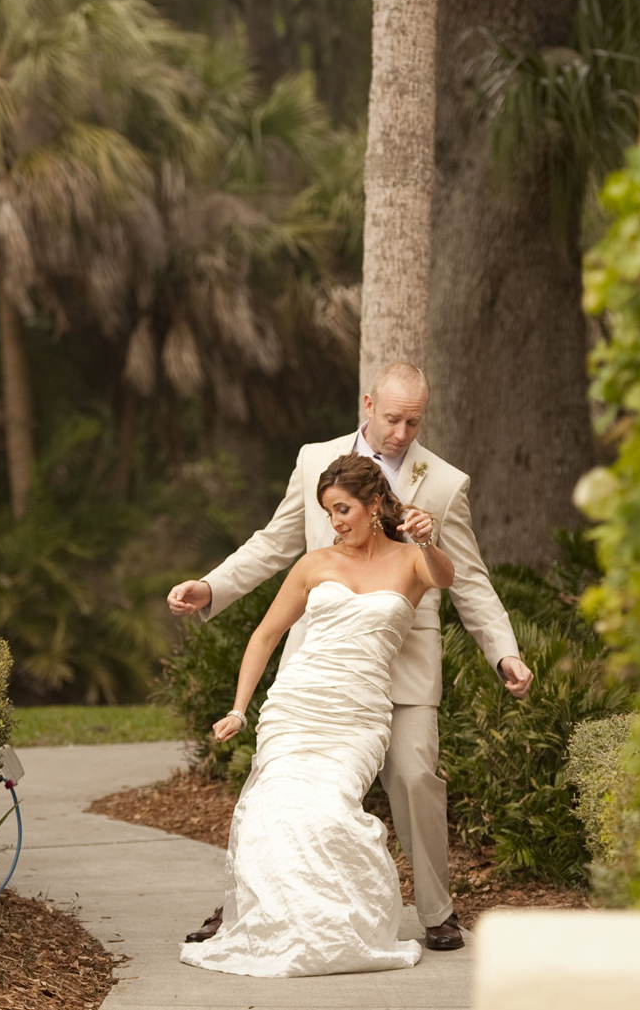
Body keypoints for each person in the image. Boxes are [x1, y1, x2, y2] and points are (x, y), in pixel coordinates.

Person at [168, 362, 533, 951]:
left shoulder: (443, 482)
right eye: (392, 418)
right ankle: (247, 902)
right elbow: (274, 542)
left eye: (414, 421)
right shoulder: (317, 461)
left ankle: (436, 911)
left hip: (403, 670)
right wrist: (211, 587)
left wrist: (504, 653)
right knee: (281, 780)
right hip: (321, 665)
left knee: (415, 776)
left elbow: (468, 582)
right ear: (368, 404)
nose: (402, 432)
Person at [180, 455, 454, 977]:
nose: (336, 523)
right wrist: (239, 709)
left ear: (375, 505)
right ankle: (282, 924)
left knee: (327, 811)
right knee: (273, 809)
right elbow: (264, 636)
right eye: (329, 512)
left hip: (358, 717)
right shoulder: (315, 564)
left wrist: (427, 538)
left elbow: (446, 574)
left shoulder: (411, 561)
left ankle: (338, 924)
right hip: (298, 703)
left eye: (344, 509)